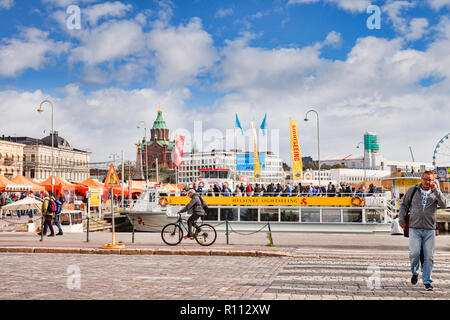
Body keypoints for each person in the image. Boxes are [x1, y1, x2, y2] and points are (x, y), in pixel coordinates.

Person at [399, 171, 447, 291]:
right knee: (414, 253)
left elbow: (444, 205)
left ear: (433, 181)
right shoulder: (413, 190)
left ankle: (427, 281)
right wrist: (401, 218)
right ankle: (415, 272)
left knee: (429, 257)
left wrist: (437, 191)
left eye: (430, 180)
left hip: (429, 229)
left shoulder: (435, 193)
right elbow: (404, 205)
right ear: (421, 179)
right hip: (414, 228)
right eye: (425, 179)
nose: (427, 182)